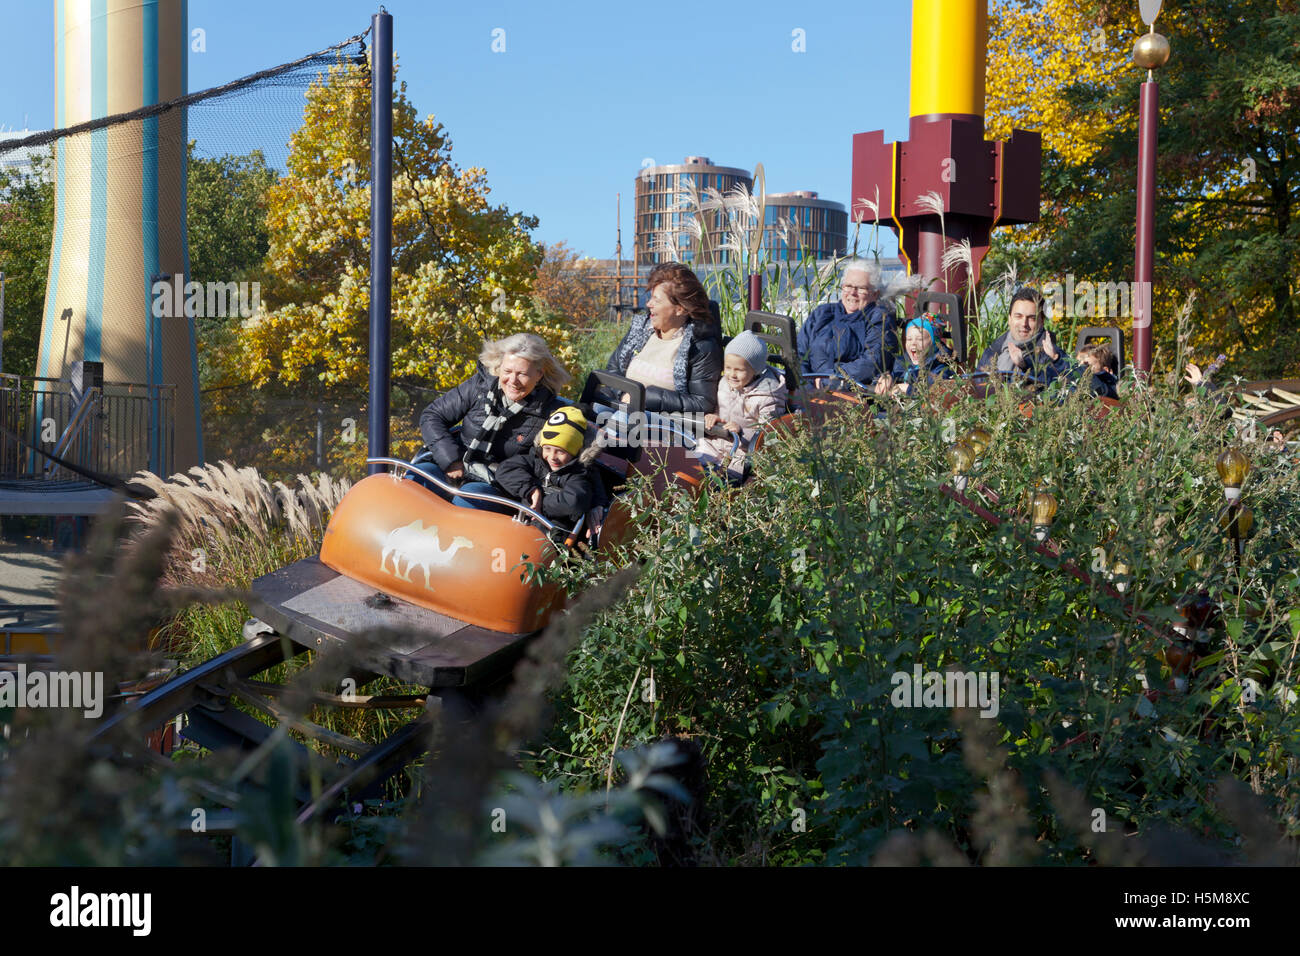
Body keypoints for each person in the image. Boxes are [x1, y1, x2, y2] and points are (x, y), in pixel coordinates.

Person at [416, 333, 570, 510]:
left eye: (522, 374)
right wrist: (451, 459)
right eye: (508, 371)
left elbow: (570, 460)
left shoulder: (550, 413)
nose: (513, 381)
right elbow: (432, 416)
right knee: (417, 480)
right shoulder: (479, 387)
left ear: (539, 375)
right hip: (457, 463)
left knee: (467, 501)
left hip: (498, 483)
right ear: (499, 367)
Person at [604, 265, 722, 414]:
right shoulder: (640, 330)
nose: (648, 304)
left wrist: (645, 398)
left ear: (680, 309)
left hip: (660, 425)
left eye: (656, 300)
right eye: (650, 298)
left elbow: (702, 403)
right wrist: (623, 394)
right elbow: (613, 370)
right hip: (619, 407)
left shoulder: (701, 347)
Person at [695, 331, 788, 478]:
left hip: (743, 452)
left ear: (755, 370)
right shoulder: (724, 383)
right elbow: (720, 409)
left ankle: (723, 493)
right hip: (716, 442)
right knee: (692, 462)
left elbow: (767, 435)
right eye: (728, 368)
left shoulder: (768, 397)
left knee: (729, 479)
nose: (732, 374)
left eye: (739, 370)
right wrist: (714, 416)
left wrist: (742, 431)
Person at [798, 259, 898, 389]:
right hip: (808, 391)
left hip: (851, 395)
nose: (852, 292)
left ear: (875, 294)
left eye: (861, 288)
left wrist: (827, 381)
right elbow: (798, 354)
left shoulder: (880, 318)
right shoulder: (822, 313)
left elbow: (871, 364)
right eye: (848, 286)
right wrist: (805, 384)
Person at [495, 406, 597, 528]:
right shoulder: (536, 461)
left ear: (574, 452)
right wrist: (532, 491)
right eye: (547, 449)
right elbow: (505, 469)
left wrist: (540, 502)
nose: (552, 456)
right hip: (520, 522)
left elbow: (574, 501)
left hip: (550, 530)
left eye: (560, 451)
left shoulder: (577, 475)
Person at [977, 287, 1069, 384]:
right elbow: (976, 389)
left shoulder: (1052, 355)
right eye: (1018, 316)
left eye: (1032, 318)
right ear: (1009, 319)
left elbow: (1070, 388)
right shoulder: (992, 352)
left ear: (1042, 321)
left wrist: (1025, 367)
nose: (1024, 323)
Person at [874, 314, 954, 397]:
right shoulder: (901, 364)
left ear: (934, 344)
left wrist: (907, 389)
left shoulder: (940, 371)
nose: (913, 343)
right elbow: (878, 377)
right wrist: (886, 377)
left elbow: (934, 397)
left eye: (920, 339)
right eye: (909, 339)